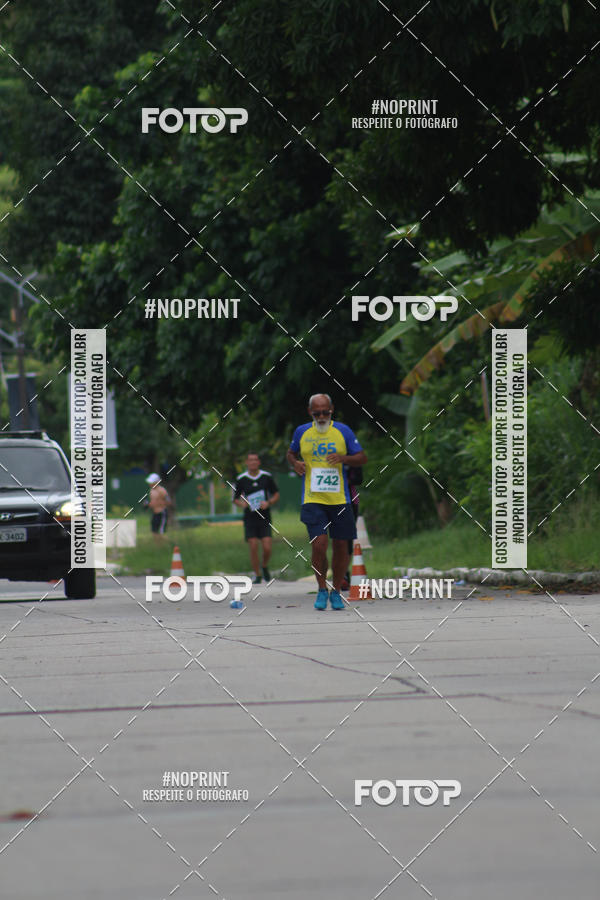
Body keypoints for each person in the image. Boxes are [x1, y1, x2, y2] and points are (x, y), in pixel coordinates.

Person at [287, 393, 367, 610]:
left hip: (340, 498)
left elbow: (362, 457)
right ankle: (322, 588)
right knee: (319, 544)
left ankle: (336, 591)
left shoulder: (343, 431)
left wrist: (344, 458)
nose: (321, 416)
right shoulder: (302, 431)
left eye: (325, 412)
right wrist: (295, 463)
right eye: (317, 413)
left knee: (341, 546)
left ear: (332, 410)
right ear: (309, 412)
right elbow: (291, 453)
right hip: (312, 497)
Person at [233, 453, 280, 584]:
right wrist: (243, 504)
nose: (253, 462)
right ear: (246, 462)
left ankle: (264, 565)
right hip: (250, 517)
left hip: (264, 516)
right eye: (250, 460)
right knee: (253, 545)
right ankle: (257, 574)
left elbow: (276, 494)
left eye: (255, 460)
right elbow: (236, 499)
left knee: (267, 547)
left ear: (259, 462)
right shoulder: (242, 479)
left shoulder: (266, 477)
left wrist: (269, 502)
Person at [146, 473, 171, 542]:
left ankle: (173, 545)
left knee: (161, 534)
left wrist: (159, 504)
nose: (150, 484)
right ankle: (159, 548)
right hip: (155, 513)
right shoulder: (151, 491)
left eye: (152, 482)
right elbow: (153, 502)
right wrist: (148, 505)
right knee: (154, 533)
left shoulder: (162, 490)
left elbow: (168, 502)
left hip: (162, 513)